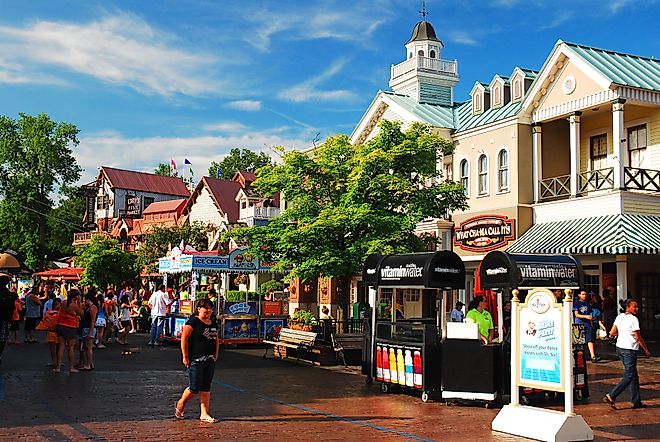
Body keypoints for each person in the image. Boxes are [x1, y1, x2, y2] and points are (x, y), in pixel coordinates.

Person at [175, 298, 220, 423]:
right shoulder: (193, 322)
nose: (209, 311)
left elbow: (216, 339)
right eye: (206, 308)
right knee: (194, 387)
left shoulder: (213, 323)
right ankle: (181, 403)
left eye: (210, 308)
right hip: (196, 359)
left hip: (209, 358)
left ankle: (204, 413)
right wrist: (185, 356)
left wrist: (216, 354)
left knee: (206, 386)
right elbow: (184, 338)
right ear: (199, 309)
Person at [604, 299, 651, 410]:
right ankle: (612, 395)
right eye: (634, 306)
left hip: (620, 347)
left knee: (633, 374)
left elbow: (612, 332)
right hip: (629, 349)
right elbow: (638, 336)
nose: (637, 308)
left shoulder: (620, 316)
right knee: (629, 375)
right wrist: (645, 349)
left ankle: (636, 400)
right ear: (628, 307)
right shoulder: (633, 319)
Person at [54, 289, 84, 373]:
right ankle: (71, 367)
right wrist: (79, 303)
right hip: (70, 326)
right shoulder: (74, 305)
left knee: (61, 346)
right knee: (71, 347)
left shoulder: (63, 302)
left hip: (61, 325)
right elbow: (81, 313)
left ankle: (58, 367)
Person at [573, 290, 600, 362]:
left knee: (590, 340)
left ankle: (593, 356)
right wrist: (585, 316)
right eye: (583, 294)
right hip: (579, 323)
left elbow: (591, 312)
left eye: (585, 294)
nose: (584, 296)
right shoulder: (576, 304)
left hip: (588, 324)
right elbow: (576, 314)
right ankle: (579, 358)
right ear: (579, 295)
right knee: (579, 341)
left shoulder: (588, 304)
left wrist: (592, 317)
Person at [79, 293, 98, 370]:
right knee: (87, 347)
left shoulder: (93, 308)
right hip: (87, 328)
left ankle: (88, 364)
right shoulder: (89, 307)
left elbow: (93, 321)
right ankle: (90, 363)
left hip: (89, 329)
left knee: (88, 347)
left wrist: (90, 332)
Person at [0, 275, 16, 365]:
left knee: (3, 339)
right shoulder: (7, 294)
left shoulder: (7, 293)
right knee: (2, 339)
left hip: (5, 318)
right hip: (5, 318)